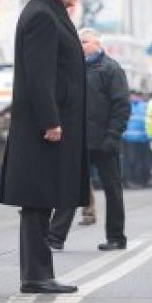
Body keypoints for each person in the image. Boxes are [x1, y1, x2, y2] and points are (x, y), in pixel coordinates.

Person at [0, 0, 89, 295]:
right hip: (44, 129)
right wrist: (51, 120)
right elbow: (40, 75)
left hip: (49, 125)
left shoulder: (50, 12)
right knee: (38, 201)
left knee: (42, 200)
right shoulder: (42, 15)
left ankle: (38, 273)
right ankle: (36, 275)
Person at [48, 28, 129, 251]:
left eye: (84, 42)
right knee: (68, 188)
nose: (80, 45)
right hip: (77, 141)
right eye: (78, 42)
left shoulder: (111, 69)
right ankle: (55, 237)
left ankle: (116, 237)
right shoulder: (70, 68)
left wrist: (112, 137)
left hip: (105, 141)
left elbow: (121, 106)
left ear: (97, 44)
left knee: (112, 190)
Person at [122, 92, 151, 187]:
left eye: (138, 94)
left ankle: (140, 180)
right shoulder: (126, 106)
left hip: (143, 138)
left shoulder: (145, 106)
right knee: (131, 161)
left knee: (142, 161)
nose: (135, 97)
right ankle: (129, 180)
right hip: (130, 139)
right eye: (133, 94)